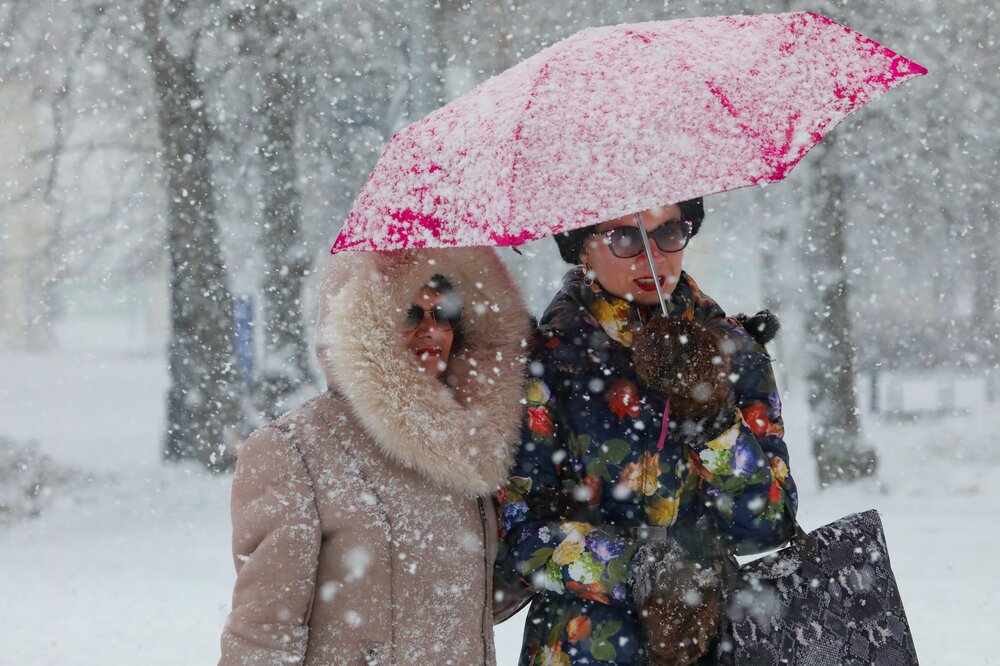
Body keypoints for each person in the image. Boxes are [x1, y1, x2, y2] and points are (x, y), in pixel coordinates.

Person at [496, 199, 798, 665]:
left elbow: (767, 525)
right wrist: (639, 571)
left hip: (718, 640)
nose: (653, 257)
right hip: (584, 646)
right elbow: (517, 536)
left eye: (669, 232)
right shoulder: (544, 365)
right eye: (626, 237)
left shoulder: (734, 352)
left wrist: (712, 419)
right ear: (581, 247)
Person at [219, 247, 530, 665]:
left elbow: (467, 606)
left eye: (445, 314)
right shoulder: (293, 450)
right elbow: (264, 632)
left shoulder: (467, 448)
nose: (432, 331)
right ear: (359, 322)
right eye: (410, 314)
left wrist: (544, 540)